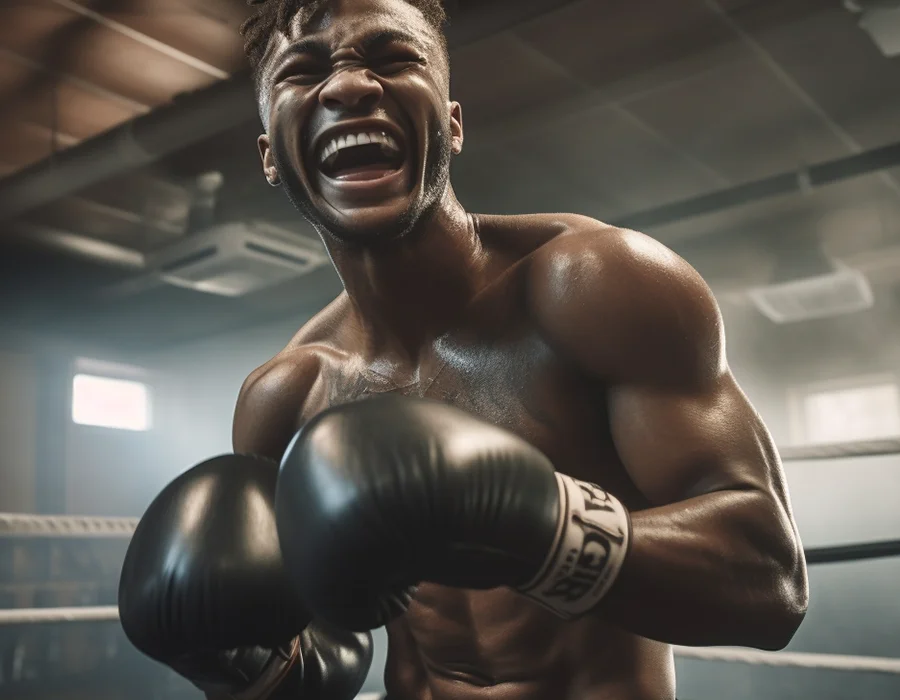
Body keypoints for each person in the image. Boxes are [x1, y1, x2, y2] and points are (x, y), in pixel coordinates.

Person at [119, 0, 809, 699]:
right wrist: (246, 668)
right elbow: (332, 644)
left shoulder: (593, 287)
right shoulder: (285, 397)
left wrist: (534, 527)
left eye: (392, 59)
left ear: (450, 123)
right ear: (271, 155)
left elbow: (769, 578)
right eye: (303, 71)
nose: (349, 86)